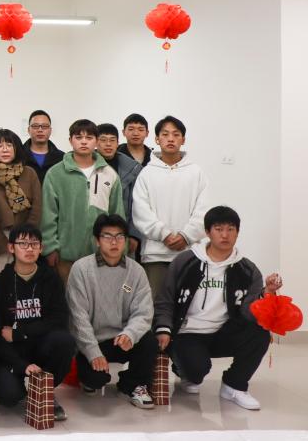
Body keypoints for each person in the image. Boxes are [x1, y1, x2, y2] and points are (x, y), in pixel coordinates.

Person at [154, 206, 279, 410]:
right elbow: (165, 300)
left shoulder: (247, 269)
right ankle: (184, 369)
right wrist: (163, 328)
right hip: (188, 333)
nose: (225, 235)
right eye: (219, 229)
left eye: (231, 229)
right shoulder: (185, 261)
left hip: (224, 331)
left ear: (237, 232)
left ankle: (234, 385)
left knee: (260, 333)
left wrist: (266, 293)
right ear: (207, 232)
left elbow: (249, 312)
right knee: (196, 373)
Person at [67, 214, 157, 409]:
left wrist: (130, 334)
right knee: (95, 380)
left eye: (119, 236)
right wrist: (93, 353)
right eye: (107, 236)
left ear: (126, 240)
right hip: (94, 340)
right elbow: (78, 317)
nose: (114, 242)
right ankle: (89, 378)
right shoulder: (81, 269)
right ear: (97, 240)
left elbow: (144, 312)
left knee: (149, 340)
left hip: (123, 340)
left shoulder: (136, 271)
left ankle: (133, 385)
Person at [0, 224, 73, 421]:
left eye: (34, 244)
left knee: (64, 341)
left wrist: (20, 333)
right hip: (12, 353)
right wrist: (21, 365)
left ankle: (44, 391)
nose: (29, 249)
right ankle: (20, 387)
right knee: (8, 396)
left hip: (40, 346)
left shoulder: (51, 279)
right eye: (23, 244)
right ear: (11, 248)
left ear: (41, 248)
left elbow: (59, 319)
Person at [132, 115, 211, 297]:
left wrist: (186, 236)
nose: (170, 139)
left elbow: (203, 211)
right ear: (157, 139)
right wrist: (165, 234)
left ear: (183, 140)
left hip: (190, 253)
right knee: (155, 303)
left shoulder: (196, 172)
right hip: (155, 255)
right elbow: (140, 212)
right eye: (165, 134)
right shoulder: (147, 174)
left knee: (189, 304)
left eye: (176, 135)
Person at [41, 119, 124, 284]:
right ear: (70, 140)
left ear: (96, 141)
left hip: (102, 254)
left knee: (100, 296)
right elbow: (48, 214)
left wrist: (120, 247)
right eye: (79, 137)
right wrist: (50, 247)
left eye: (89, 137)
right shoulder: (55, 174)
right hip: (66, 254)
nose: (84, 141)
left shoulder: (109, 174)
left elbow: (117, 213)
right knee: (69, 296)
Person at [0, 129, 42, 279]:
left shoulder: (29, 173)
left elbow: (37, 207)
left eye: (9, 145)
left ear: (16, 148)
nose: (4, 149)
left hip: (25, 238)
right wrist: (2, 244)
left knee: (23, 280)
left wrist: (25, 239)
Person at [96, 123, 142, 257]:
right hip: (93, 231)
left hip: (123, 231)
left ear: (118, 143)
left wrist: (134, 234)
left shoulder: (133, 169)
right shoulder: (87, 166)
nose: (108, 144)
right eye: (103, 140)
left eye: (112, 140)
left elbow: (137, 204)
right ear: (96, 142)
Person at [23, 110, 64, 183]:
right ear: (28, 130)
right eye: (35, 126)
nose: (40, 130)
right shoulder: (18, 156)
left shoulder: (62, 158)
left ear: (50, 130)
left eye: (45, 126)